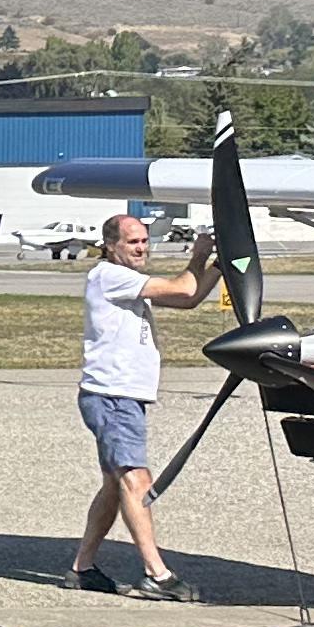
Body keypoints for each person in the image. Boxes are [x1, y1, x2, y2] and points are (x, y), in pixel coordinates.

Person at [66, 208, 220, 599]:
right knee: (137, 481)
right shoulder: (109, 276)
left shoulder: (129, 279)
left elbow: (189, 299)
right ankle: (158, 574)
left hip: (121, 395)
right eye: (132, 242)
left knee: (115, 485)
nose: (140, 248)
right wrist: (199, 254)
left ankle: (82, 568)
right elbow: (184, 287)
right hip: (112, 396)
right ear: (111, 245)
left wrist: (222, 266)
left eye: (144, 242)